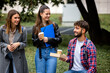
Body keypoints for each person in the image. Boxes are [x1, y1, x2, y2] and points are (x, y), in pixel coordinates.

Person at [32, 5, 62, 73]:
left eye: (49, 14)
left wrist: (48, 39)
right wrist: (39, 39)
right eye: (46, 14)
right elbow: (34, 43)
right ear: (41, 14)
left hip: (52, 52)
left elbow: (59, 39)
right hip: (40, 54)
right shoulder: (35, 27)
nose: (48, 15)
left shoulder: (54, 25)